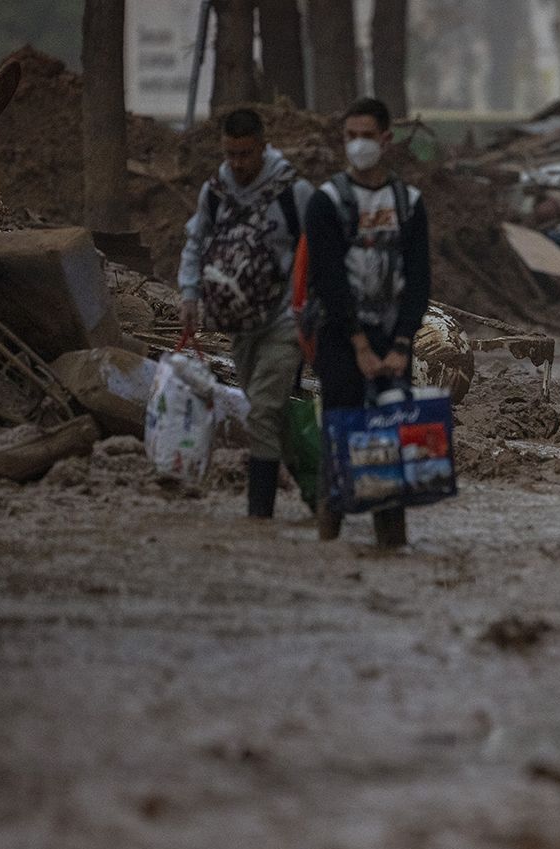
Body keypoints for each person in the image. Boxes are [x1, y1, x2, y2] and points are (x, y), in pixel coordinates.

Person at [304, 97, 433, 547]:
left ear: (386, 139)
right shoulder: (326, 202)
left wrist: (400, 345)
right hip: (340, 335)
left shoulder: (409, 203)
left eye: (366, 136)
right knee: (339, 425)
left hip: (393, 334)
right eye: (350, 136)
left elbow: (419, 280)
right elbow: (327, 277)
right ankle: (330, 523)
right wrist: (358, 344)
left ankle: (390, 534)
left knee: (392, 429)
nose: (358, 145)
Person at [177, 107, 316, 519]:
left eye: (246, 154)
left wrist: (314, 309)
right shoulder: (215, 192)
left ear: (263, 146)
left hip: (285, 320)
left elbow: (323, 248)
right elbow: (195, 241)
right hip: (238, 325)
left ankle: (259, 514)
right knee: (270, 411)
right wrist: (189, 293)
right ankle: (320, 486)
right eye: (230, 154)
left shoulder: (294, 192)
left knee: (262, 411)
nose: (237, 164)